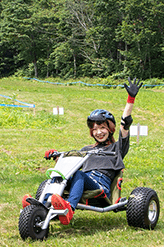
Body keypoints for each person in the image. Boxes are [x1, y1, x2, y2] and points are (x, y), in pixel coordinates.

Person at [44, 78, 141, 225]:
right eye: (94, 129)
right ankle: (43, 205)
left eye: (102, 128)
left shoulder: (117, 148)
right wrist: (56, 156)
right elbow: (68, 163)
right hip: (82, 181)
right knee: (59, 176)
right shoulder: (86, 150)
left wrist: (130, 99)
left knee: (79, 174)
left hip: (100, 187)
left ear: (110, 129)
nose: (99, 132)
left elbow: (125, 124)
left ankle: (69, 209)